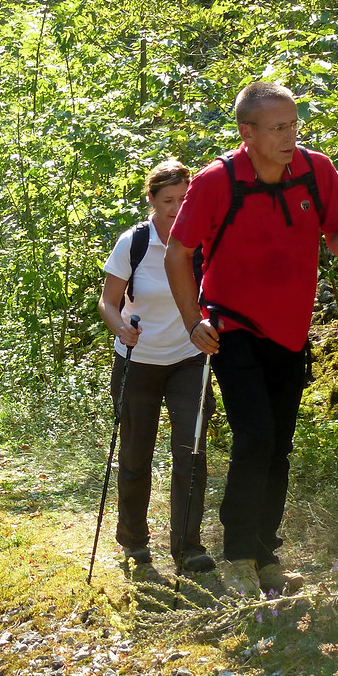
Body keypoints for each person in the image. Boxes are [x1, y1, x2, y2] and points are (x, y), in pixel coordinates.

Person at [165, 81, 338, 597]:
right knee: (255, 438)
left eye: (294, 124)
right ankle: (238, 554)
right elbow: (177, 253)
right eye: (278, 127)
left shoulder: (317, 171)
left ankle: (265, 555)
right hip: (232, 328)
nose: (290, 135)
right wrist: (194, 320)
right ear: (247, 132)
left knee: (278, 445)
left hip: (291, 330)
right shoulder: (216, 181)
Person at [98, 158, 216, 575]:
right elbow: (108, 302)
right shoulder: (134, 243)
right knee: (135, 455)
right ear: (151, 200)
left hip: (189, 359)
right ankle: (133, 539)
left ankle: (188, 546)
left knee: (193, 453)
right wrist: (120, 328)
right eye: (168, 200)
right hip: (138, 361)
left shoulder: (201, 240)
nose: (177, 208)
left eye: (184, 199)